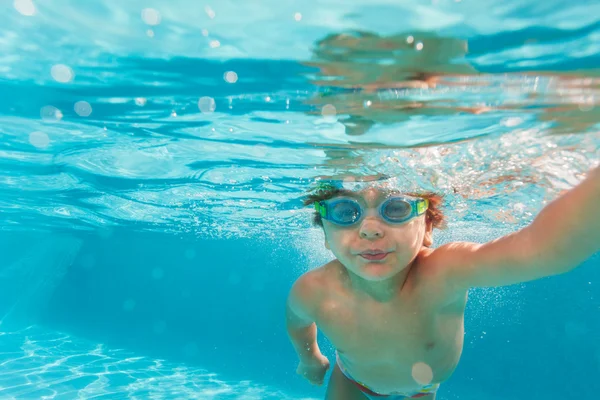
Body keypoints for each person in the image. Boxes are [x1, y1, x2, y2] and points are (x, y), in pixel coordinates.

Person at [285, 167, 600, 399]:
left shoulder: (444, 270)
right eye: (344, 211)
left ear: (427, 226)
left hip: (422, 389)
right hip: (352, 381)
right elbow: (297, 322)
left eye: (395, 208)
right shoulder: (313, 290)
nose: (369, 229)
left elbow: (542, 250)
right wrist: (309, 357)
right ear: (325, 234)